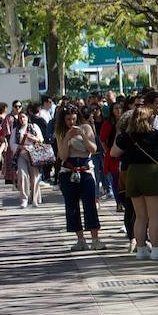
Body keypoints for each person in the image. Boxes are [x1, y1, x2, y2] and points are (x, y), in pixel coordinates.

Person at [114, 102, 158, 260]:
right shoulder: (156, 134)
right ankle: (156, 249)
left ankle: (140, 250)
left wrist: (121, 134)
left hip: (132, 174)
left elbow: (114, 152)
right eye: (153, 116)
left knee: (140, 216)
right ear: (149, 118)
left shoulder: (127, 136)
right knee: (154, 217)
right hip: (151, 173)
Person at [54, 106, 107, 251]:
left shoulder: (86, 127)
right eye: (68, 119)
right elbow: (63, 156)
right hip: (68, 170)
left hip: (85, 169)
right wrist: (66, 138)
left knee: (90, 204)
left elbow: (93, 149)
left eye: (73, 118)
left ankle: (95, 238)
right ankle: (80, 239)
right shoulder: (60, 131)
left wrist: (82, 135)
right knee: (72, 206)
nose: (71, 122)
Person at [14, 112, 45, 208]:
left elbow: (41, 139)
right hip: (22, 155)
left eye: (23, 117)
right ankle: (24, 199)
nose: (22, 119)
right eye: (20, 118)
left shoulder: (34, 127)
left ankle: (35, 199)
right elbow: (12, 144)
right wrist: (21, 146)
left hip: (33, 155)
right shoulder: (16, 130)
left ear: (27, 118)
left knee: (35, 177)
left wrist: (33, 138)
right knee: (22, 175)